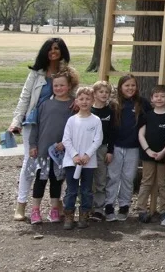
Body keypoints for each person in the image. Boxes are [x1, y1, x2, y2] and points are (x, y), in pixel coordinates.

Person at [7, 37, 74, 222]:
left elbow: (73, 93)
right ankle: (21, 204)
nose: (54, 52)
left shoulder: (66, 73)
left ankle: (56, 203)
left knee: (59, 163)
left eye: (57, 49)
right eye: (51, 48)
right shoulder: (36, 74)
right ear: (45, 51)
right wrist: (16, 122)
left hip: (58, 122)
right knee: (31, 163)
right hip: (35, 123)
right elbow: (25, 98)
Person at [27, 71, 75, 225]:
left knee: (56, 181)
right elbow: (35, 126)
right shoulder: (45, 104)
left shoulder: (74, 105)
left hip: (61, 153)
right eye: (56, 85)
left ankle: (54, 209)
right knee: (40, 181)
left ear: (69, 86)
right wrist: (33, 145)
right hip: (43, 152)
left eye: (62, 85)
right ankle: (35, 210)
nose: (59, 88)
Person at [61, 86, 103, 230]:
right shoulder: (72, 120)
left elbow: (97, 140)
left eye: (88, 99)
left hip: (88, 163)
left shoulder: (96, 120)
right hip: (71, 162)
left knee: (86, 190)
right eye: (82, 99)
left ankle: (84, 215)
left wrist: (87, 155)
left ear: (92, 101)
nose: (84, 102)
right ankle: (68, 215)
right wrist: (74, 155)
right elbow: (66, 139)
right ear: (77, 101)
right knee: (71, 190)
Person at [104, 74, 145, 222]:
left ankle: (124, 206)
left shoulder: (141, 103)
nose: (130, 88)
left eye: (133, 85)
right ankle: (109, 205)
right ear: (120, 87)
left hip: (133, 147)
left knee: (128, 178)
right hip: (116, 146)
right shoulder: (114, 104)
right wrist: (109, 149)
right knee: (113, 177)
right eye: (127, 85)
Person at [136, 84, 165, 223]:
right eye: (156, 96)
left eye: (162, 96)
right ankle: (141, 210)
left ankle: (164, 210)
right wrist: (148, 150)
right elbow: (141, 134)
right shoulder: (147, 115)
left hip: (164, 156)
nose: (159, 99)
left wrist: (163, 152)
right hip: (148, 155)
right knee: (146, 182)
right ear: (151, 99)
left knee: (163, 184)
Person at [89, 81, 114, 221]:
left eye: (106, 92)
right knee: (87, 179)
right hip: (88, 149)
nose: (104, 94)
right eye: (101, 92)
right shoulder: (89, 111)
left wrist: (110, 151)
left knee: (101, 179)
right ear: (95, 94)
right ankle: (87, 207)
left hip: (103, 149)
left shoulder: (110, 112)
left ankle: (98, 209)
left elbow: (112, 133)